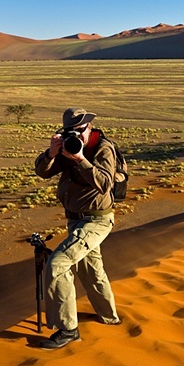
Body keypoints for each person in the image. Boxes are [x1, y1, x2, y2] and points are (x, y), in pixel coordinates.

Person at [34, 108, 121, 350]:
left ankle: (68, 329)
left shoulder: (102, 148)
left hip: (97, 221)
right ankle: (109, 316)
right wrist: (51, 153)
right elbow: (42, 172)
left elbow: (105, 183)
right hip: (75, 221)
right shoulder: (67, 148)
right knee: (91, 270)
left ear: (90, 128)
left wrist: (81, 159)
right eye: (70, 132)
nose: (76, 136)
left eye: (80, 130)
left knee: (58, 264)